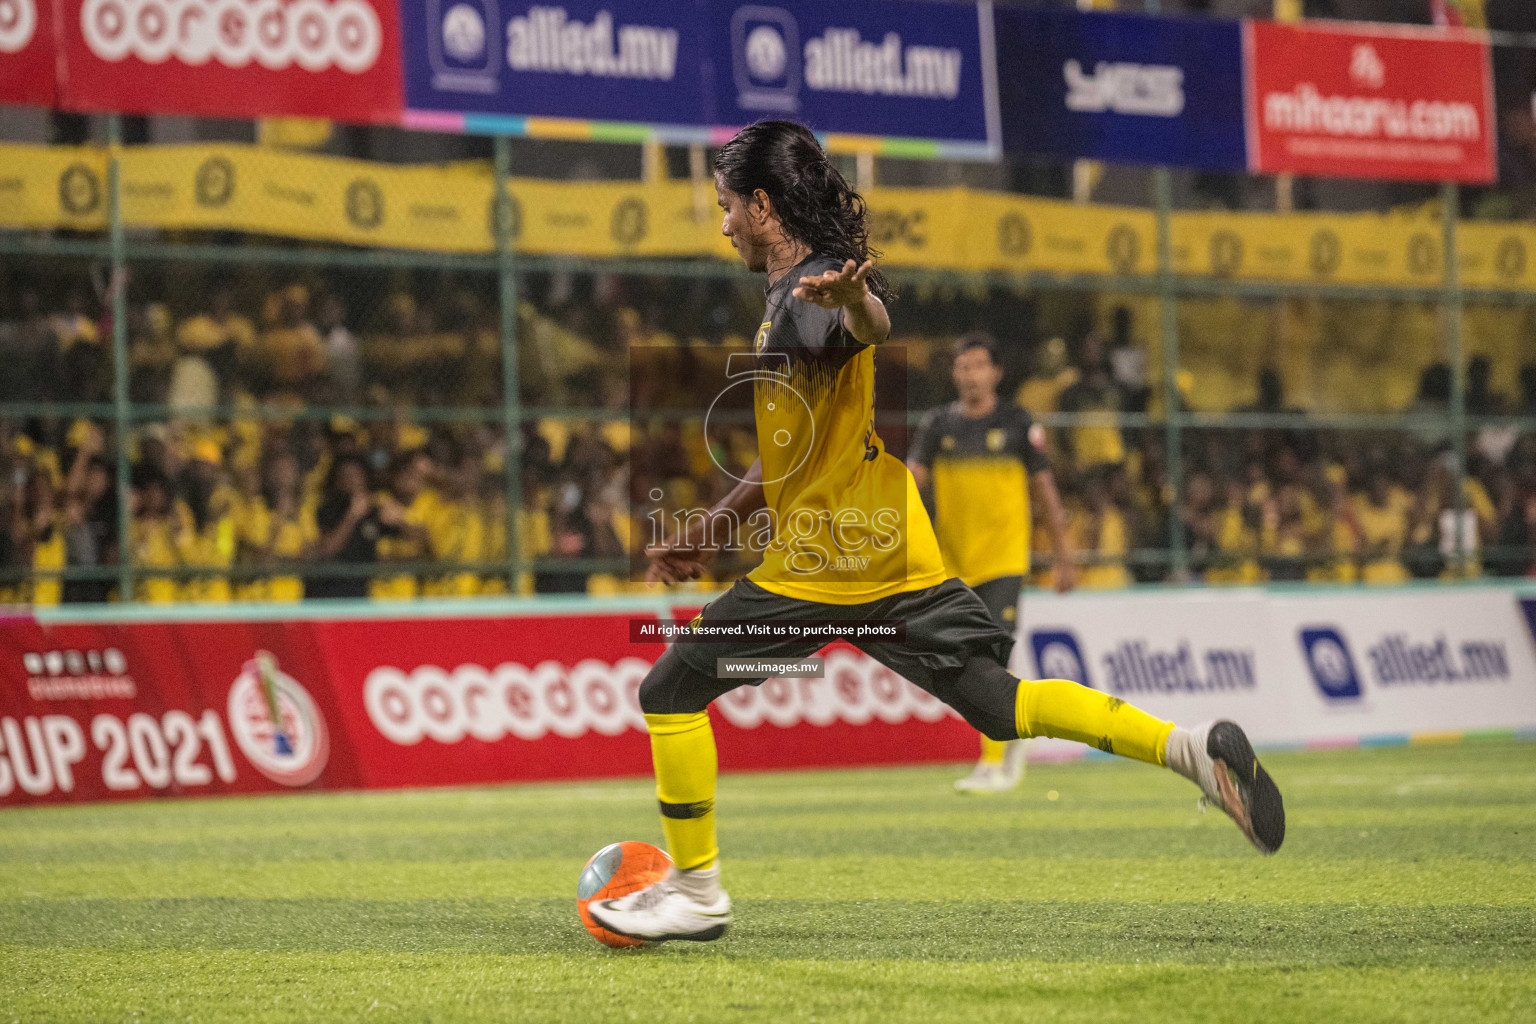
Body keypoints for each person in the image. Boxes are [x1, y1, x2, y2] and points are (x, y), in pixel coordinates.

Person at [586, 121, 1285, 945]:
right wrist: (711, 524)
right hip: (893, 554)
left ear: (763, 205)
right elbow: (799, 443)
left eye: (727, 206)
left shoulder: (813, 293)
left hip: (825, 566)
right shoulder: (791, 297)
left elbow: (864, 328)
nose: (724, 222)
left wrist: (858, 306)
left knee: (669, 690)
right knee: (999, 705)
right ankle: (1192, 749)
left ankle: (697, 891)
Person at [908, 333, 1076, 795]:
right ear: (954, 374)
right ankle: (1011, 739)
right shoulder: (937, 425)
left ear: (996, 373)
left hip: (1005, 559)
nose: (971, 374)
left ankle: (995, 761)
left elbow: (1045, 491)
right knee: (968, 658)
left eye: (980, 365)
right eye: (963, 366)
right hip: (954, 562)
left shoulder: (1018, 423)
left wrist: (1063, 557)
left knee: (986, 656)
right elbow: (910, 482)